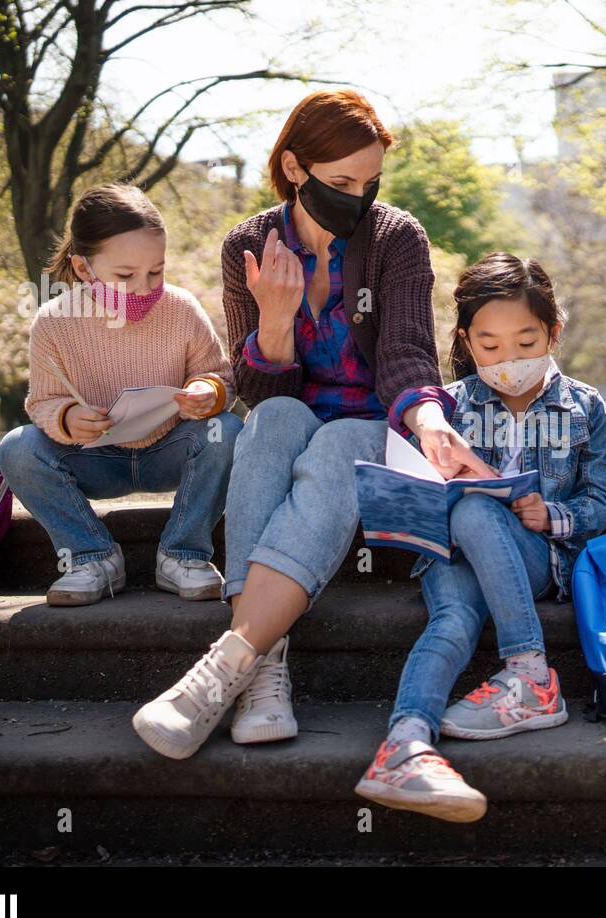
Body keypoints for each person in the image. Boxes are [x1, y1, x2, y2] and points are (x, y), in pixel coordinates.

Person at [132, 89, 491, 759]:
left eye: (371, 180)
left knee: (334, 441)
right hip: (288, 417)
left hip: (374, 426)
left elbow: (408, 353)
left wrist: (432, 418)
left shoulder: (395, 237)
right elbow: (261, 389)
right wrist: (274, 318)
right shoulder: (248, 243)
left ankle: (231, 662)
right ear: (295, 168)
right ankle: (263, 668)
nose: (360, 196)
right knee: (269, 423)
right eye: (341, 181)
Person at [354, 253, 606, 822]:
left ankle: (530, 674)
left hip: (536, 558)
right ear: (468, 342)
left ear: (552, 332)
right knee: (452, 616)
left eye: (526, 341)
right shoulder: (450, 406)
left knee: (476, 513)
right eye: (490, 345)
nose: (509, 359)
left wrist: (552, 516)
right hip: (453, 556)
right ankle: (407, 742)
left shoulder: (584, 406)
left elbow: (602, 500)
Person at [0, 183, 240, 607]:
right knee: (16, 448)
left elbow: (219, 376)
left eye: (156, 272)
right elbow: (43, 402)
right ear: (85, 268)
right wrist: (68, 418)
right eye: (124, 276)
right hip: (92, 457)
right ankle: (92, 557)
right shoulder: (54, 321)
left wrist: (209, 392)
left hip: (171, 449)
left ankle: (184, 554)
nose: (144, 287)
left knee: (228, 430)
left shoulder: (181, 309)